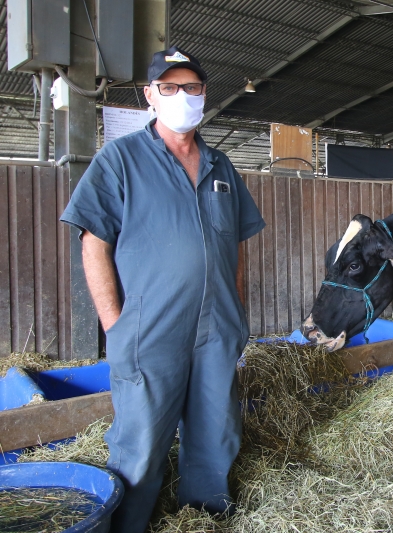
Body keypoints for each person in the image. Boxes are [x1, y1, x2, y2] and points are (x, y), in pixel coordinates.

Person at [60, 46, 265, 533]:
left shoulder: (221, 167)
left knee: (217, 432)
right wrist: (116, 326)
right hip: (149, 329)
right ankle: (129, 524)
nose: (181, 96)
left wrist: (235, 314)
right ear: (150, 95)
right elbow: (94, 245)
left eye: (191, 87)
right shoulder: (120, 159)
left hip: (217, 329)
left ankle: (204, 517)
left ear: (204, 94)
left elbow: (236, 247)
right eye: (168, 88)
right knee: (141, 440)